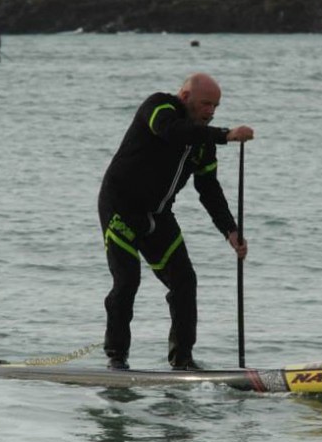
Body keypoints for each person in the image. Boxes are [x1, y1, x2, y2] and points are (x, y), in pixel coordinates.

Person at [98, 73, 254, 371]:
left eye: (216, 107)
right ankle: (116, 357)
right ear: (185, 97)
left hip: (158, 217)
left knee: (184, 281)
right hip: (120, 208)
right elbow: (172, 132)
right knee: (128, 280)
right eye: (205, 104)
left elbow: (208, 189)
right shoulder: (158, 107)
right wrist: (225, 135)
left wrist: (230, 231)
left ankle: (182, 360)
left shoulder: (203, 143)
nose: (211, 112)